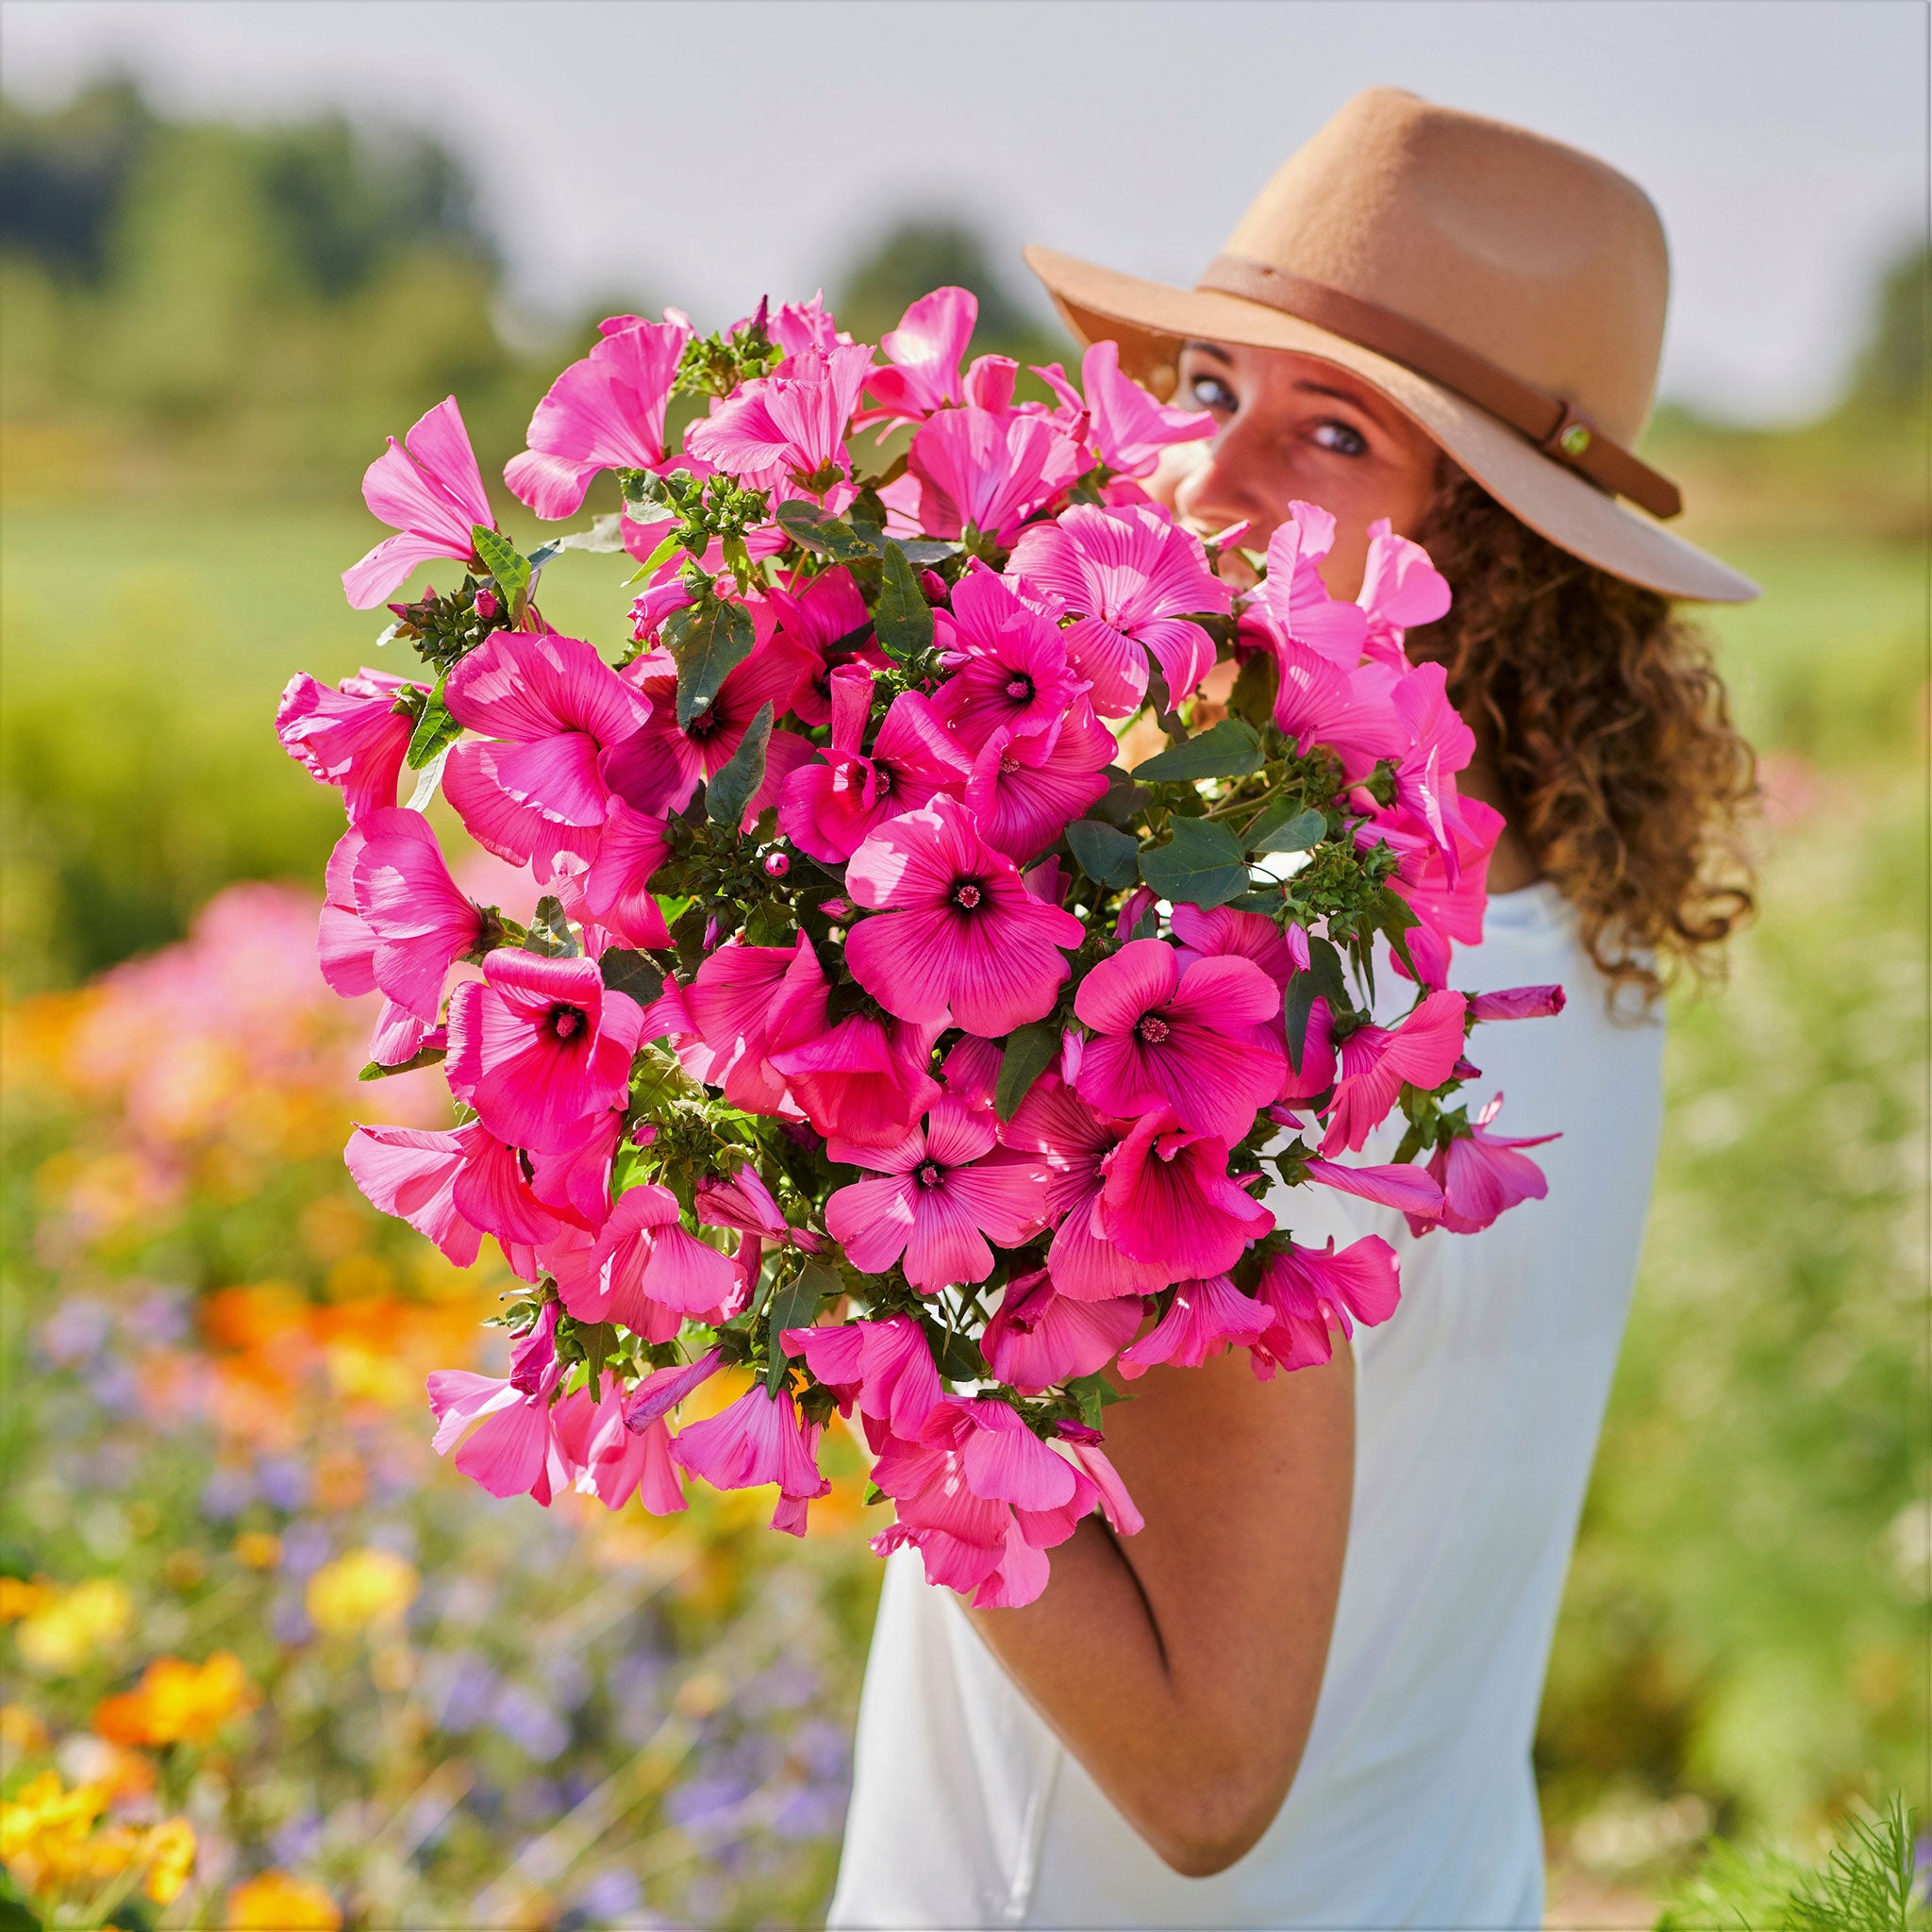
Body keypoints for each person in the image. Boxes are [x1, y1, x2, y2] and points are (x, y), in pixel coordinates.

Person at [827, 89, 1757, 1930]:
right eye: (1205, 389)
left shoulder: (1241, 986)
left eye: (1326, 433)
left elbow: (1201, 1775)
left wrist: (843, 1267)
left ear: (1497, 557)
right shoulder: (1560, 929)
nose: (1201, 476)